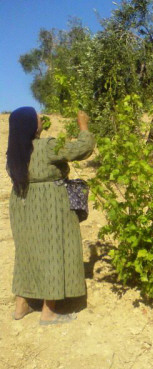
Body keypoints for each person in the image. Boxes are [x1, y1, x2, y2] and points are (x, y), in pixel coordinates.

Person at [7, 107, 95, 325]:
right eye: (37, 118)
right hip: (50, 203)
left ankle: (21, 305)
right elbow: (82, 149)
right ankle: (49, 311)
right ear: (31, 126)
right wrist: (83, 126)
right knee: (55, 250)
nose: (41, 119)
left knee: (27, 252)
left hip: (22, 201)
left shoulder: (14, 153)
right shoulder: (46, 146)